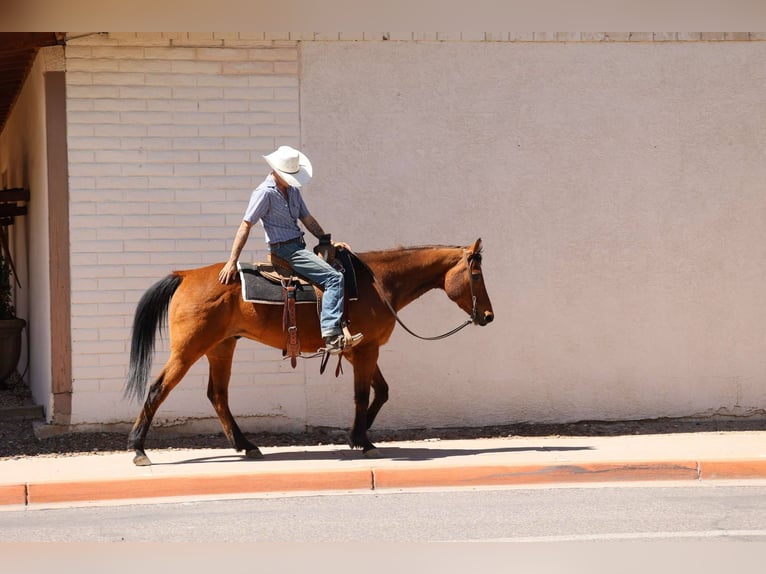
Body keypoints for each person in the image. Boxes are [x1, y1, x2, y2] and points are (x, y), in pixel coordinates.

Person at [218, 145, 362, 354]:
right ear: (276, 171)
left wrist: (326, 240)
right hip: (286, 251)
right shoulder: (264, 193)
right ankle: (332, 334)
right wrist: (232, 261)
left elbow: (307, 218)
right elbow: (246, 225)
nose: (292, 179)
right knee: (334, 278)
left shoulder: (293, 190)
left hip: (298, 247)